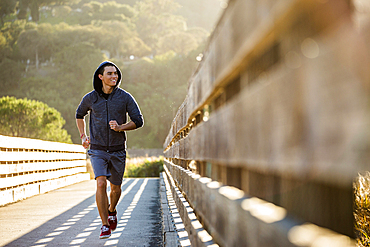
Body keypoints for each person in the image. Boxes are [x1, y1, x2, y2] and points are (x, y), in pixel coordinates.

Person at [75, 61, 143, 239]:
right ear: (101, 76)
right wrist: (83, 136)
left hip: (117, 150)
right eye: (110, 74)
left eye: (116, 74)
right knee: (100, 183)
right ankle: (104, 225)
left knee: (115, 188)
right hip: (97, 149)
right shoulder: (90, 98)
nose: (114, 77)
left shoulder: (125, 97)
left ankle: (112, 210)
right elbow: (79, 115)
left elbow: (138, 120)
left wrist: (121, 127)